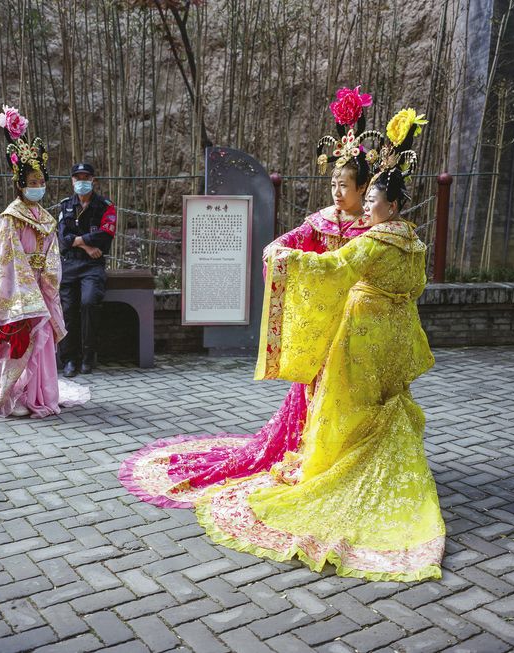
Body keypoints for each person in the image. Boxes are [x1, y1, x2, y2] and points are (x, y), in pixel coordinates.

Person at [193, 108, 445, 582]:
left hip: (357, 334)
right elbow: (411, 286)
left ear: (380, 199)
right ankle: (357, 456)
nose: (342, 195)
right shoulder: (409, 239)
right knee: (376, 402)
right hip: (388, 333)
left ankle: (336, 466)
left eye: (355, 189)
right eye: (338, 185)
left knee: (342, 402)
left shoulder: (374, 238)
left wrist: (293, 263)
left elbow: (335, 270)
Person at [119, 86, 375, 508]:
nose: (335, 191)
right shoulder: (324, 220)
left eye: (343, 184)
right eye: (332, 182)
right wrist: (279, 250)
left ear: (363, 188)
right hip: (325, 322)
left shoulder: (372, 229)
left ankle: (351, 451)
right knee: (317, 388)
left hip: (358, 322)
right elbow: (288, 241)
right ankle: (317, 449)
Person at [0, 105, 89, 417]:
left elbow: (52, 252)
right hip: (18, 290)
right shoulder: (10, 216)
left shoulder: (46, 217)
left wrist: (46, 275)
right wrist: (28, 287)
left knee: (43, 336)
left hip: (39, 285)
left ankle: (39, 394)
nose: (37, 185)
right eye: (31, 180)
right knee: (20, 336)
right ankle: (14, 394)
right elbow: (8, 257)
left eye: (40, 180)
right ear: (20, 184)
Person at [57, 162, 117, 376]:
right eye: (77, 178)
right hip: (70, 264)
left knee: (89, 302)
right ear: (72, 181)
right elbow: (62, 239)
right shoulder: (65, 206)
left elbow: (106, 234)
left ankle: (88, 355)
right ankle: (69, 359)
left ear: (93, 180)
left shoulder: (106, 206)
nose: (81, 182)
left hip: (92, 266)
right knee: (67, 310)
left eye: (86, 178)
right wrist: (86, 245)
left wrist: (79, 240)